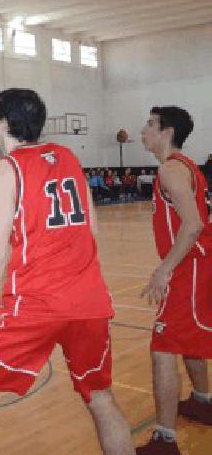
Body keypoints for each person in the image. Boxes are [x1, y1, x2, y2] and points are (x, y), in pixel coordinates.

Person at [0, 88, 133, 455]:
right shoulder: (68, 157)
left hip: (34, 304)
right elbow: (92, 232)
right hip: (89, 301)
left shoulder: (5, 171)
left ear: (4, 121)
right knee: (100, 398)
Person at [136, 106, 212, 455]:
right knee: (187, 339)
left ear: (167, 132)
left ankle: (165, 441)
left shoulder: (171, 170)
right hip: (195, 265)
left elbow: (194, 224)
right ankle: (202, 402)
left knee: (163, 348)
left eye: (150, 124)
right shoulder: (183, 167)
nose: (144, 129)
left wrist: (164, 268)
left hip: (188, 268)